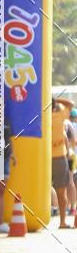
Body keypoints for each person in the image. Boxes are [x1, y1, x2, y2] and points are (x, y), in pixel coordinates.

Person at [51, 97, 73, 228]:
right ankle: (62, 222)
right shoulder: (60, 114)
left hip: (49, 157)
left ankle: (62, 221)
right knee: (61, 191)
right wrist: (55, 98)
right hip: (58, 157)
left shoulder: (40, 115)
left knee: (60, 190)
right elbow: (71, 103)